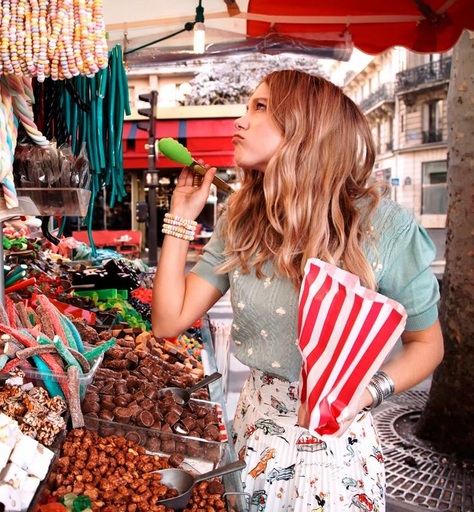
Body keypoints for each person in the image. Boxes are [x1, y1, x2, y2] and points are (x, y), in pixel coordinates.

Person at [152, 70, 443, 511]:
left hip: (338, 446)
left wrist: (364, 394)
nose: (240, 121)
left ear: (307, 127)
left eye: (261, 107)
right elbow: (168, 320)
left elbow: (427, 344)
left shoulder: (385, 227)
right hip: (253, 428)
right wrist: (180, 219)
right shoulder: (242, 218)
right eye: (249, 105)